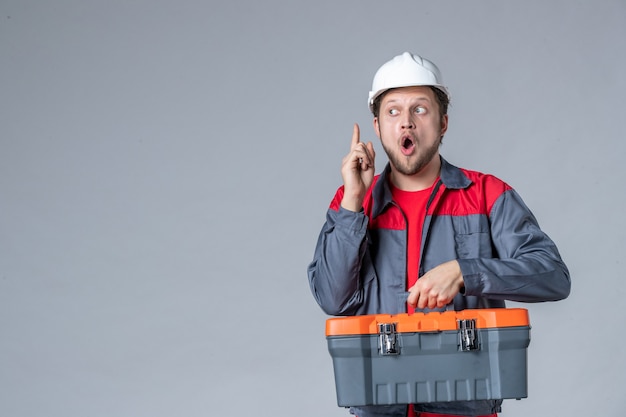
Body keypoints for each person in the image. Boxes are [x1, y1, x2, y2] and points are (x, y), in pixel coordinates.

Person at [307, 52, 571, 417]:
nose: (406, 124)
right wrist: (354, 200)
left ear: (443, 122)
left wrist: (466, 272)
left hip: (465, 409)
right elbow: (332, 298)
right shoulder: (353, 202)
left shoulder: (487, 194)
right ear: (378, 126)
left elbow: (553, 277)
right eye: (393, 111)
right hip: (379, 408)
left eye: (420, 109)